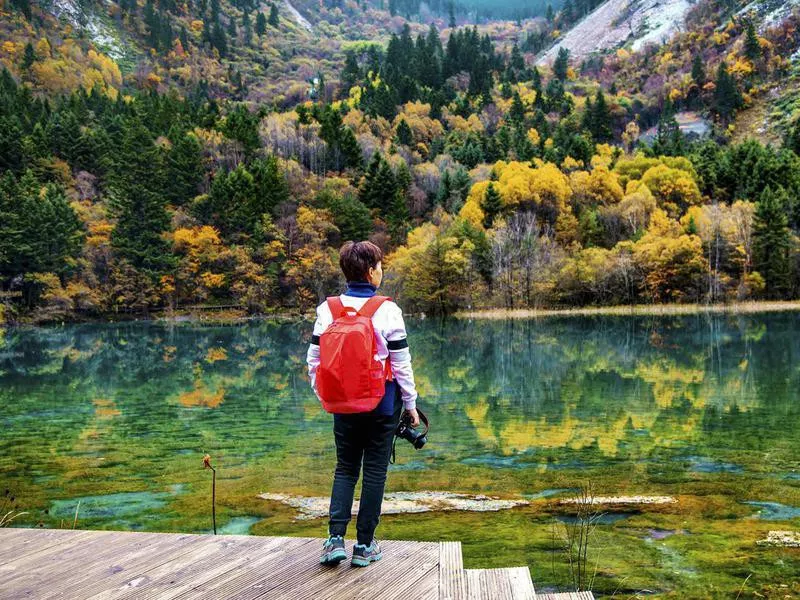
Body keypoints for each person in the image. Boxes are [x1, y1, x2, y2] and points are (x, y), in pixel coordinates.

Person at [306, 240, 419, 568]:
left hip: (342, 404)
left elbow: (314, 359)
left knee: (345, 468)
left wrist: (325, 395)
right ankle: (365, 545)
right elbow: (401, 364)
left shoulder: (328, 309)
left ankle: (334, 541)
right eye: (380, 266)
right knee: (374, 472)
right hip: (382, 405)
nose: (381, 271)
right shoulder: (388, 309)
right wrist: (410, 404)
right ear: (370, 272)